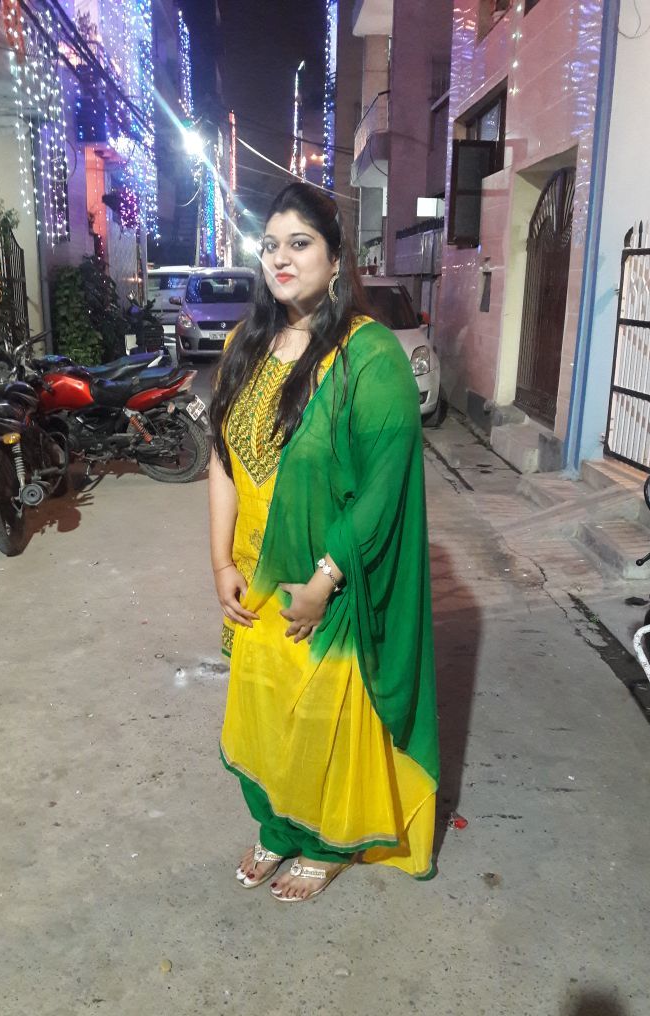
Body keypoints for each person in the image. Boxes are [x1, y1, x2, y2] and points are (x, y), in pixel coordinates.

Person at [208, 183, 438, 902]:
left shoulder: (369, 355)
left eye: (300, 243)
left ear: (337, 259)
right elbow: (222, 460)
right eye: (270, 245)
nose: (281, 258)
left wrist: (325, 579)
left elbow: (383, 485)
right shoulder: (242, 347)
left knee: (321, 719)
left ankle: (325, 841)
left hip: (328, 581)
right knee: (266, 712)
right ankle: (278, 828)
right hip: (256, 581)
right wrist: (219, 561)